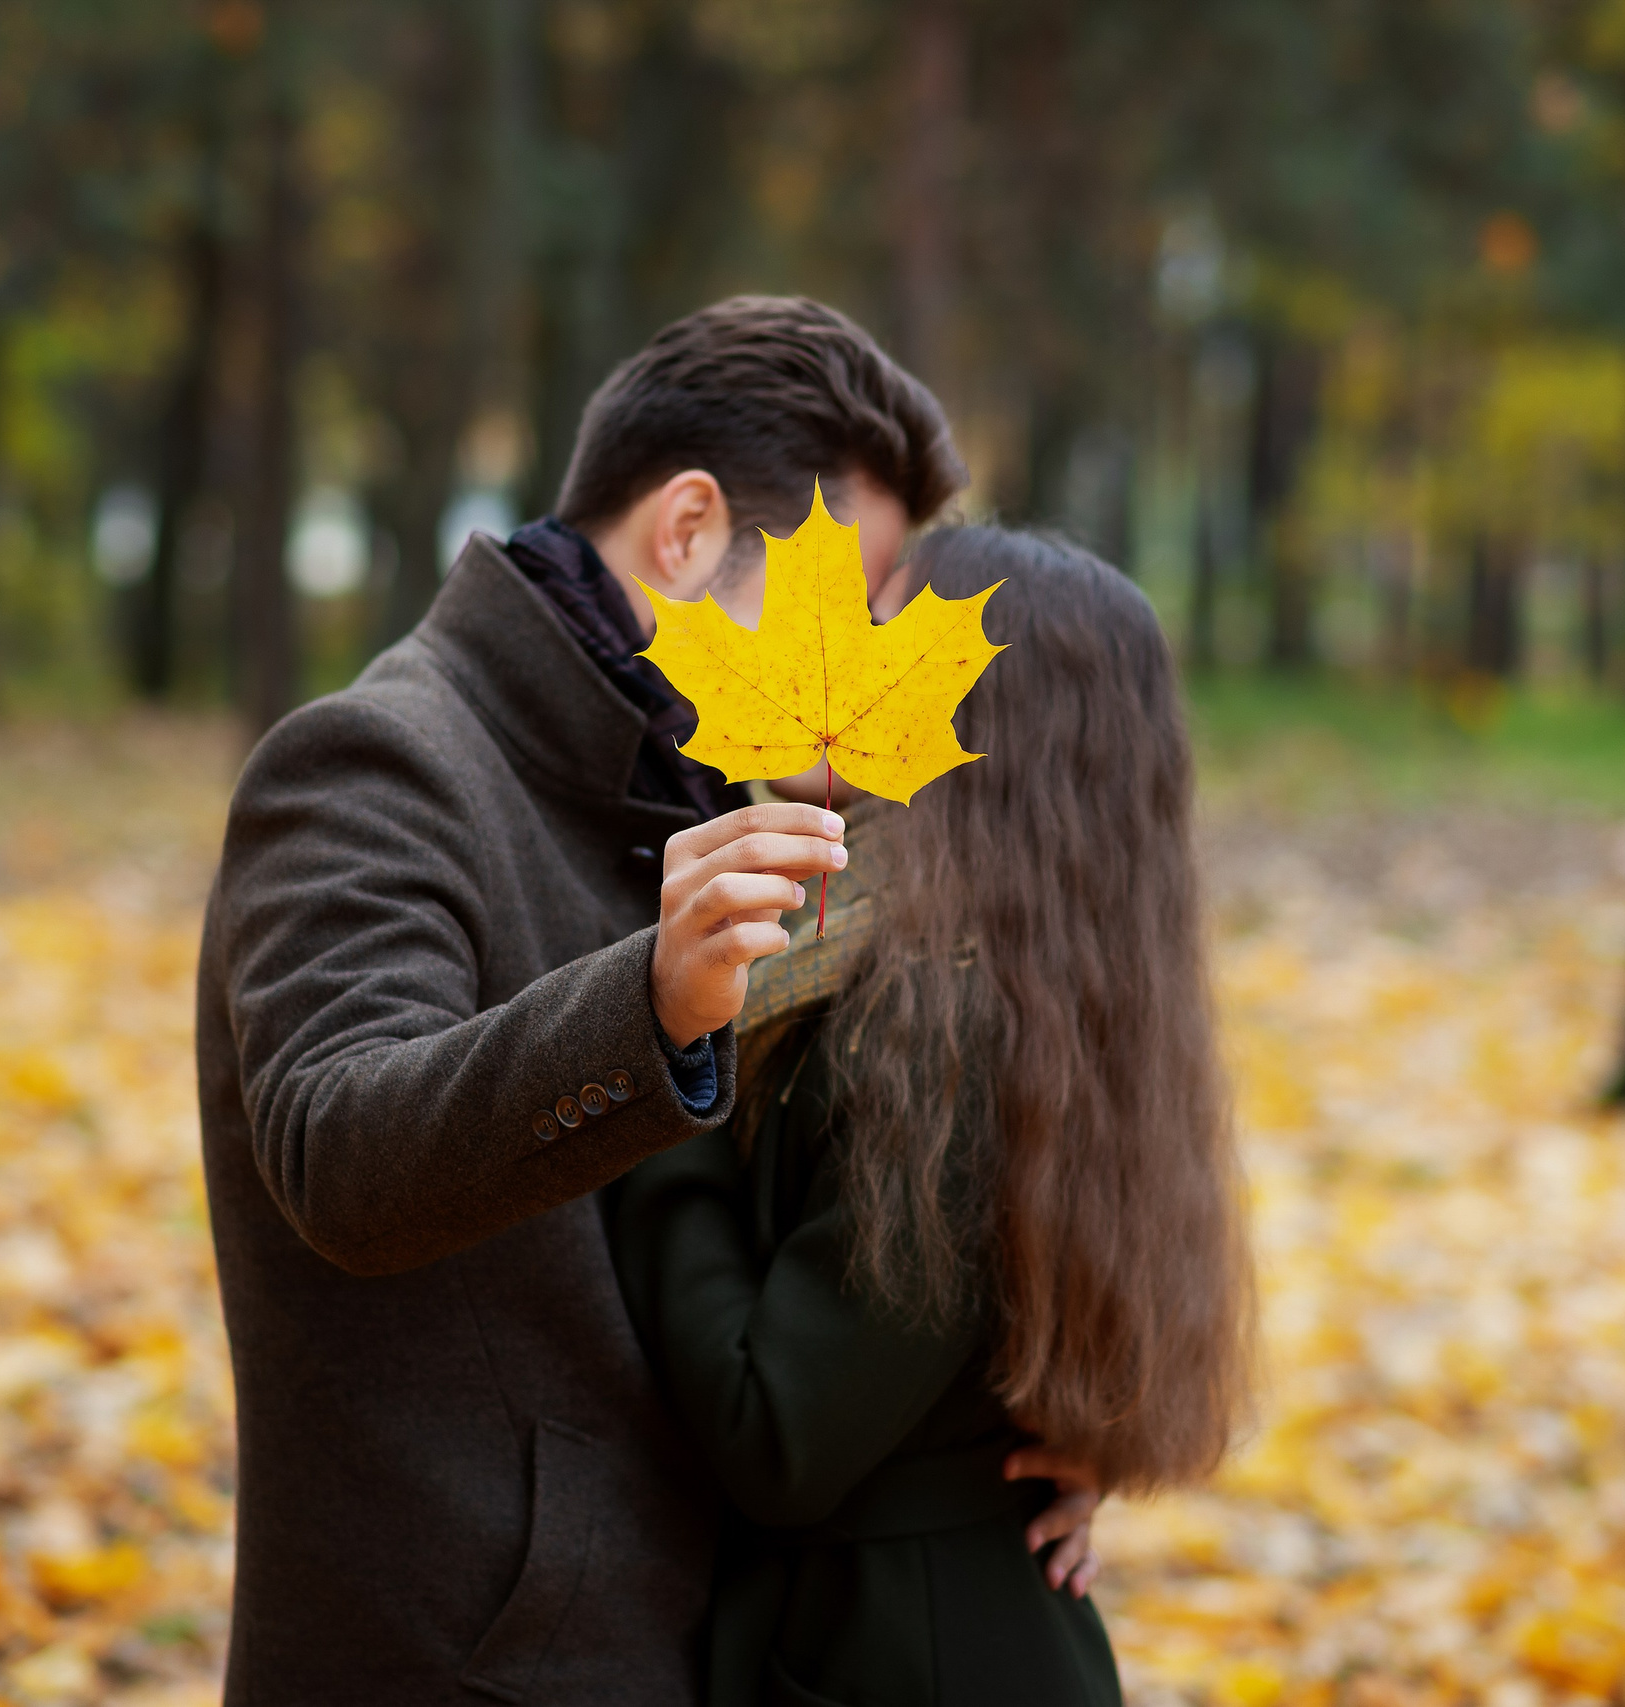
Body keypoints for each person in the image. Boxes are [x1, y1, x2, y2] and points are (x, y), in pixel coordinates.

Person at [193, 297, 1100, 1705]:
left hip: (707, 1635)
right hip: (478, 1662)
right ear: (683, 531)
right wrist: (649, 1009)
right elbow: (336, 1153)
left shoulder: (726, 799)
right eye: (834, 611)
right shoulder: (379, 762)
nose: (851, 678)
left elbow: (848, 1202)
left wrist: (1006, 1447)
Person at [609, 527, 1257, 1707]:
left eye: (884, 638)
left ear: (982, 717)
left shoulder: (944, 1023)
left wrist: (663, 1094)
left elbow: (776, 1435)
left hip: (905, 1656)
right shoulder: (1001, 978)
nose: (834, 662)